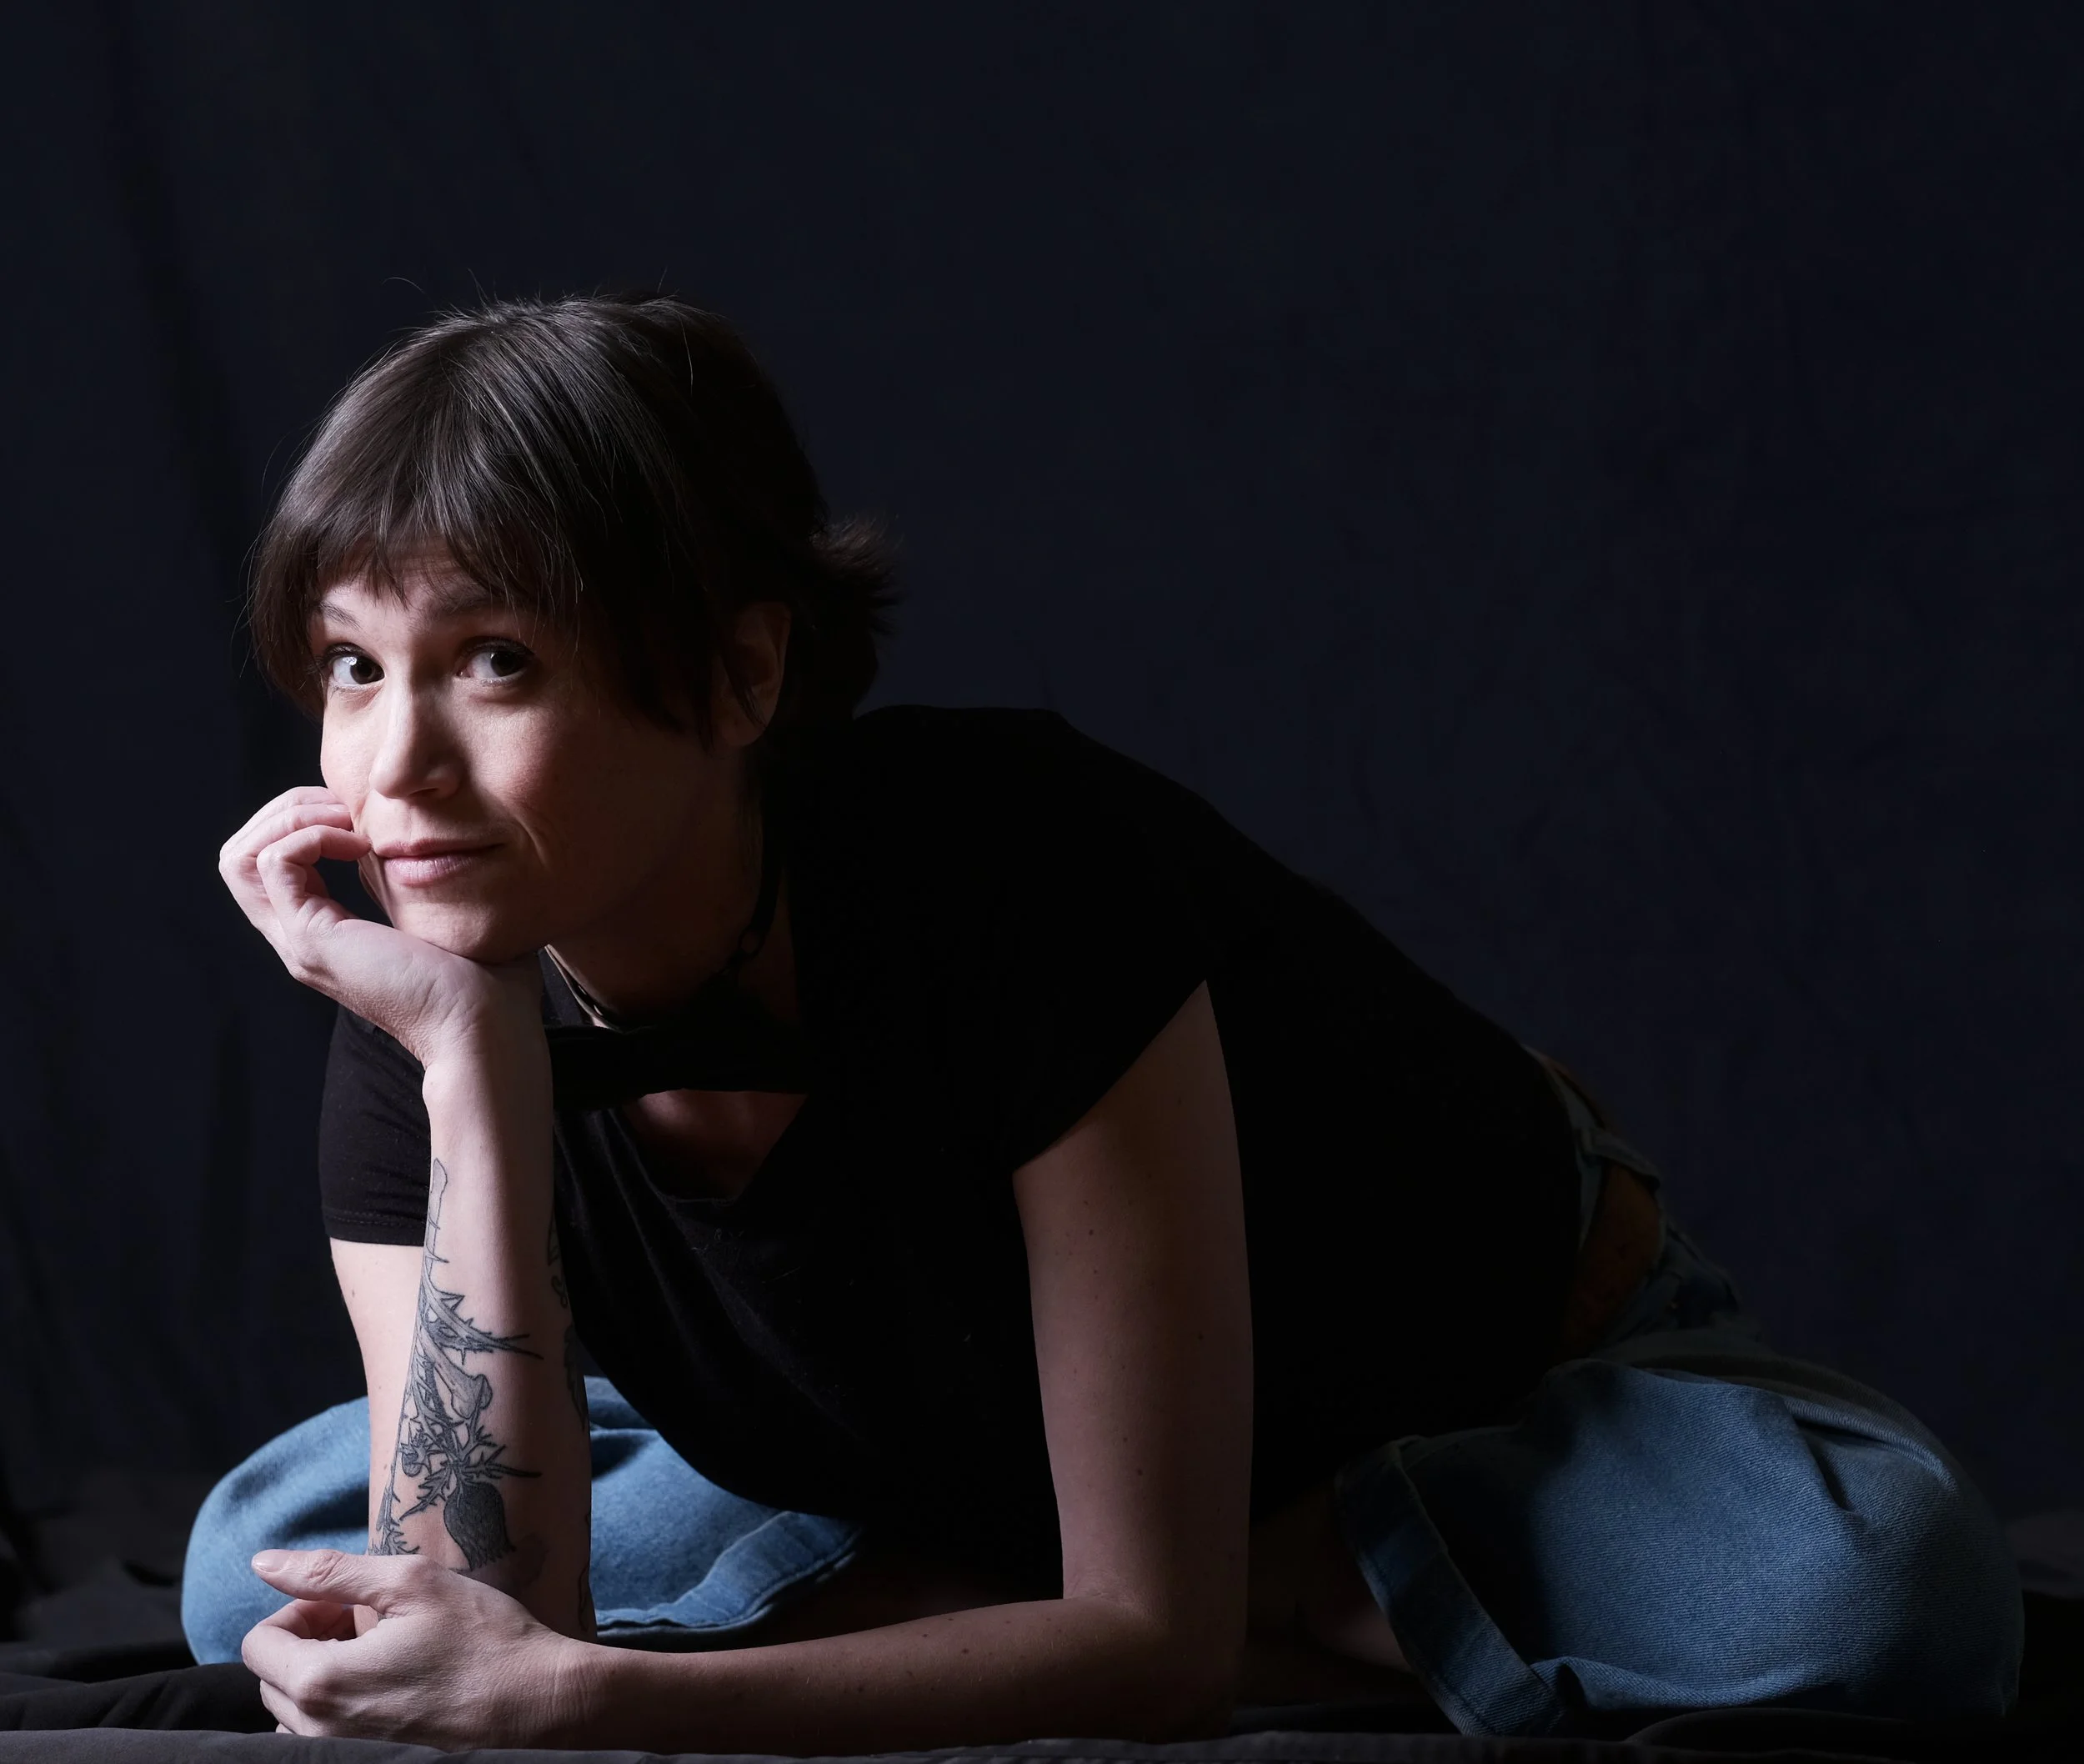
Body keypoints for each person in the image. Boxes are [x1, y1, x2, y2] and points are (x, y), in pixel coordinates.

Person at [189, 293, 2021, 1751]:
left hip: (1469, 1391)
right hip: (919, 1446)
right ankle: (1168, 1605)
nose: (395, 765)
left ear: (744, 672)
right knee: (250, 1574)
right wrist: (476, 1070)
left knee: (1880, 1602)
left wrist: (612, 1699)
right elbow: (473, 1639)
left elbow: (1145, 1641)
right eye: (355, 663)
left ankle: (1199, 1578)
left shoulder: (1010, 868)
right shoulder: (437, 963)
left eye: (494, 660)